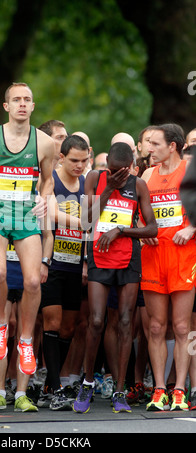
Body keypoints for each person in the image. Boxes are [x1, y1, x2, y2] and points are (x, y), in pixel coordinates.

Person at [0, 82, 54, 412]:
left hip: (25, 215)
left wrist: (47, 197)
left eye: (27, 100)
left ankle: (24, 342)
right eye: (16, 100)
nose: (22, 104)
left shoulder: (45, 143)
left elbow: (48, 180)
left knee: (34, 281)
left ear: (33, 106)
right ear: (6, 106)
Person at [73, 142, 157, 414]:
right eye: (113, 171)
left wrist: (121, 230)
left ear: (131, 167)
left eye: (122, 173)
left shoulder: (139, 185)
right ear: (106, 163)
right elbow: (86, 220)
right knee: (96, 320)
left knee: (124, 322)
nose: (119, 176)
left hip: (128, 258)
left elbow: (151, 227)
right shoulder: (94, 178)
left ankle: (120, 389)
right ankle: (87, 382)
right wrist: (109, 189)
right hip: (99, 255)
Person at [141, 123, 196, 411]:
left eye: (155, 144)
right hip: (153, 255)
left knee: (182, 325)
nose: (149, 149)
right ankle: (159, 389)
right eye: (148, 144)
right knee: (155, 325)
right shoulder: (148, 174)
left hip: (184, 255)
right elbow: (138, 214)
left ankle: (180, 390)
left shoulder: (189, 169)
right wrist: (142, 231)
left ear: (172, 146)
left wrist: (191, 228)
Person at [39, 134, 89, 411]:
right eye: (73, 161)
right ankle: (56, 387)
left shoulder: (87, 183)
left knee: (69, 326)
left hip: (75, 263)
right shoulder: (50, 180)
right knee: (52, 321)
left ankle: (50, 381)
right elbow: (53, 214)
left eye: (84, 160)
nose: (79, 166)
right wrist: (85, 221)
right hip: (52, 261)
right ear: (61, 157)